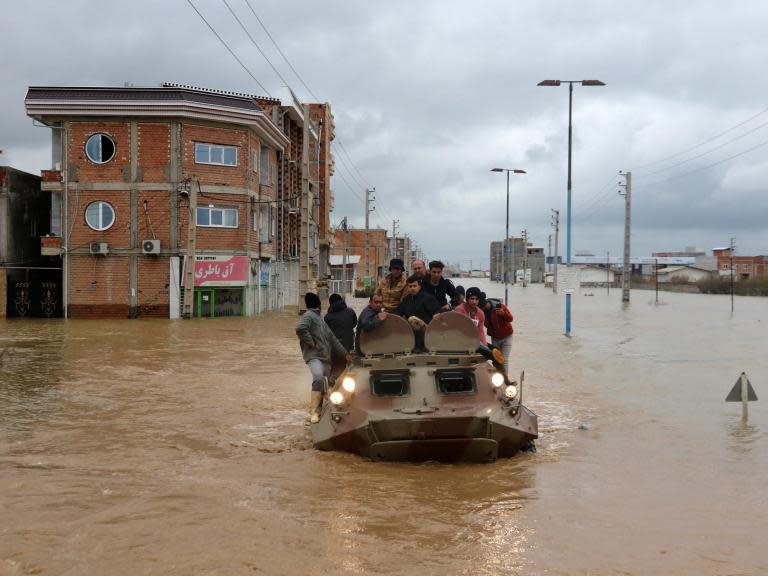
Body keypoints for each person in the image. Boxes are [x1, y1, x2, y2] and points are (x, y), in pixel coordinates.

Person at [296, 292, 351, 423]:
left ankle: (319, 413)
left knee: (325, 385)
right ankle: (314, 412)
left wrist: (346, 355)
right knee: (318, 378)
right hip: (315, 357)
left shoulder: (320, 319)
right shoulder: (309, 315)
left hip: (325, 359)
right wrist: (311, 342)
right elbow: (300, 328)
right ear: (319, 305)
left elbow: (333, 340)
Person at [397, 275, 441, 350]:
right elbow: (398, 312)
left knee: (412, 320)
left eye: (414, 286)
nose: (412, 288)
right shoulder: (406, 300)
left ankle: (420, 346)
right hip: (411, 332)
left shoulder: (427, 298)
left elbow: (438, 311)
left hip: (428, 331)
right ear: (407, 288)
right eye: (410, 286)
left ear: (419, 286)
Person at [483, 298, 514, 374]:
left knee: (504, 360)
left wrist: (503, 314)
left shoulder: (500, 306)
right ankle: (497, 378)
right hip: (495, 338)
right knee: (496, 359)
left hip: (507, 336)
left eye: (483, 305)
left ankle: (505, 380)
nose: (482, 308)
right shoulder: (481, 312)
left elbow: (510, 318)